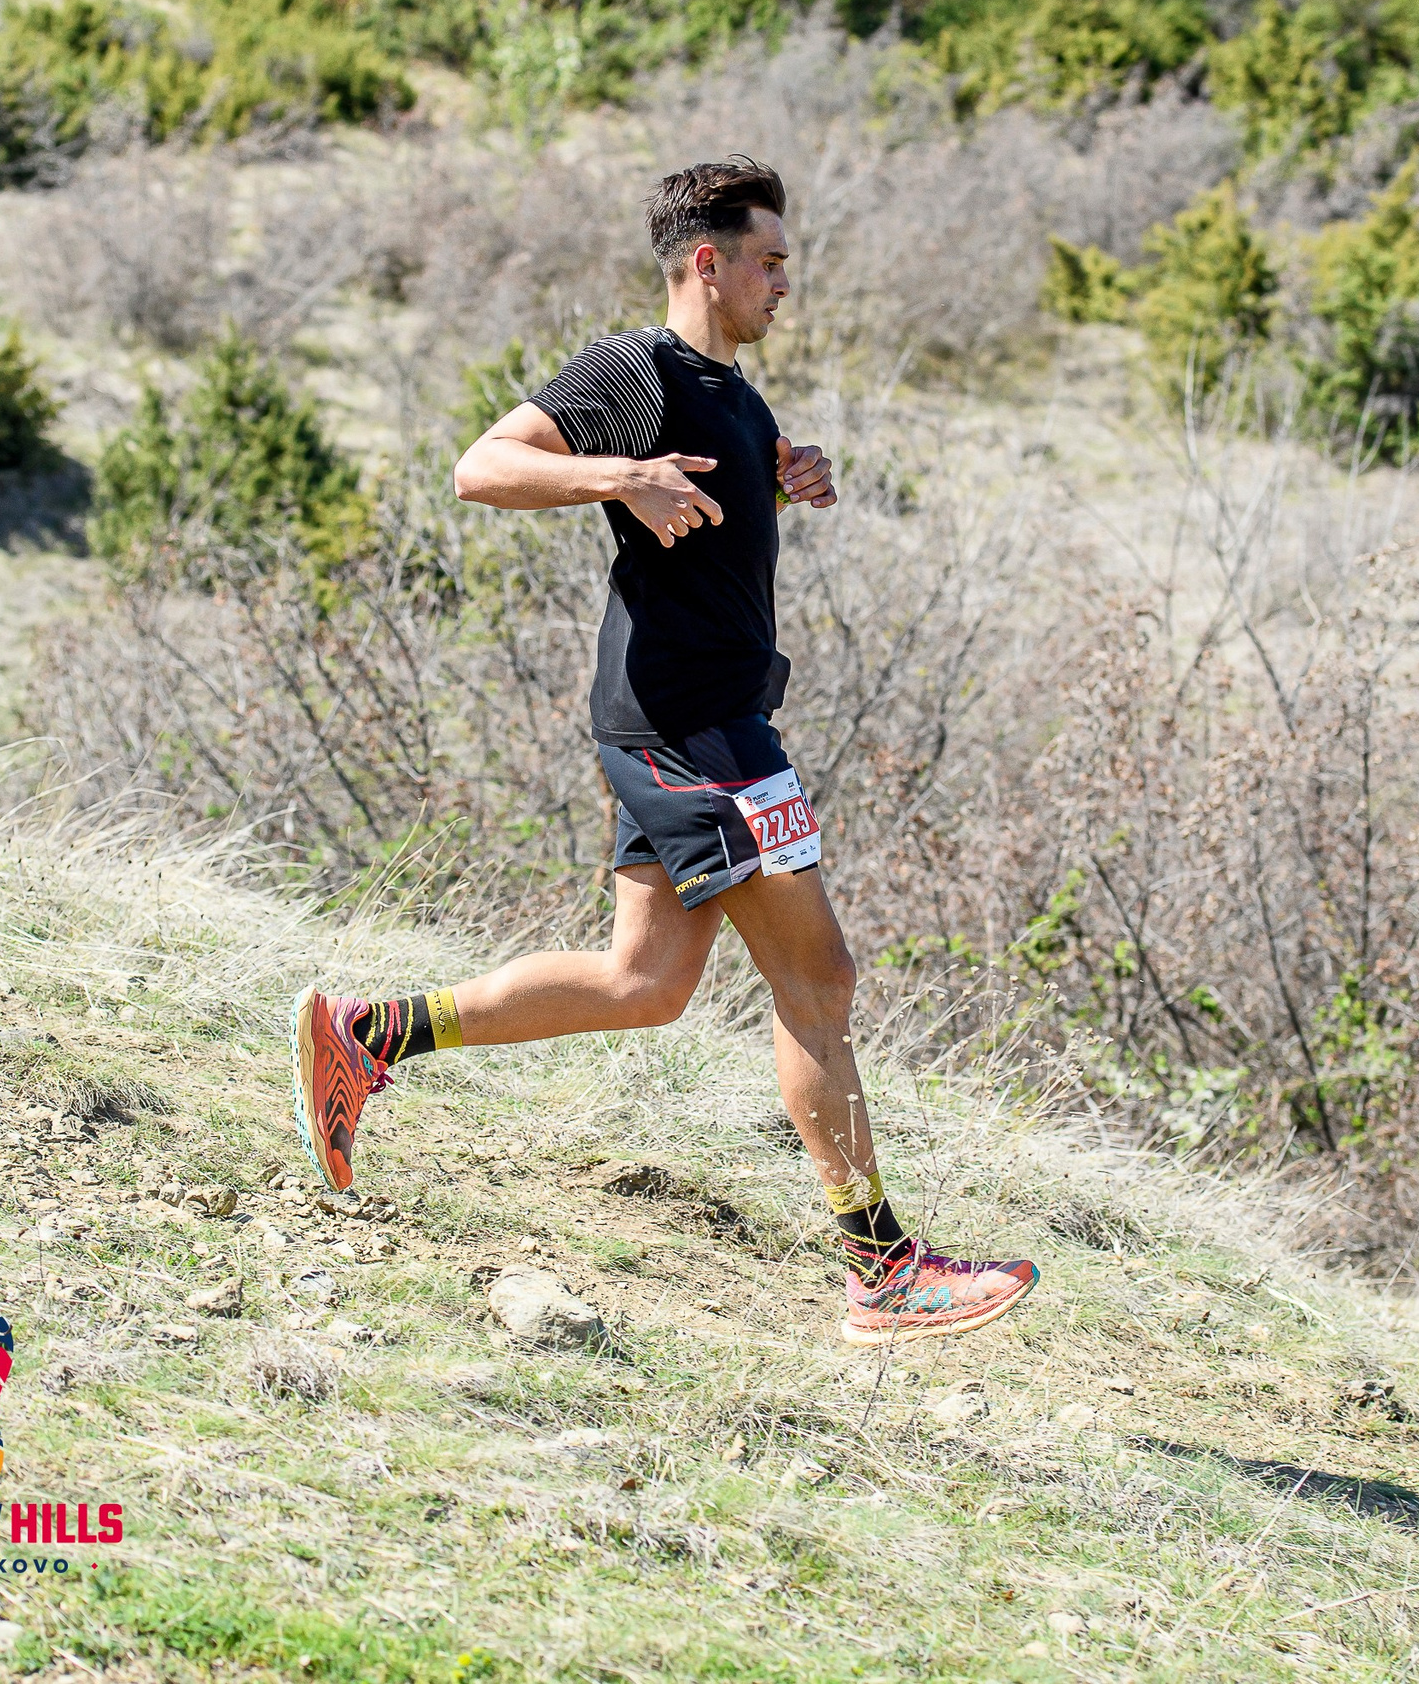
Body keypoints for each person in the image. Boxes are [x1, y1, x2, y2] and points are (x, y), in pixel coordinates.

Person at [290, 156, 1036, 1347]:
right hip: (694, 729)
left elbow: (710, 526)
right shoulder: (636, 370)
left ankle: (366, 1035)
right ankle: (883, 1269)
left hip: (706, 720)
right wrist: (620, 474)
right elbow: (483, 467)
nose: (784, 283)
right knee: (819, 982)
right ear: (708, 261)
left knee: (645, 985)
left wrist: (786, 479)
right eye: (769, 261)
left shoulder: (737, 399)